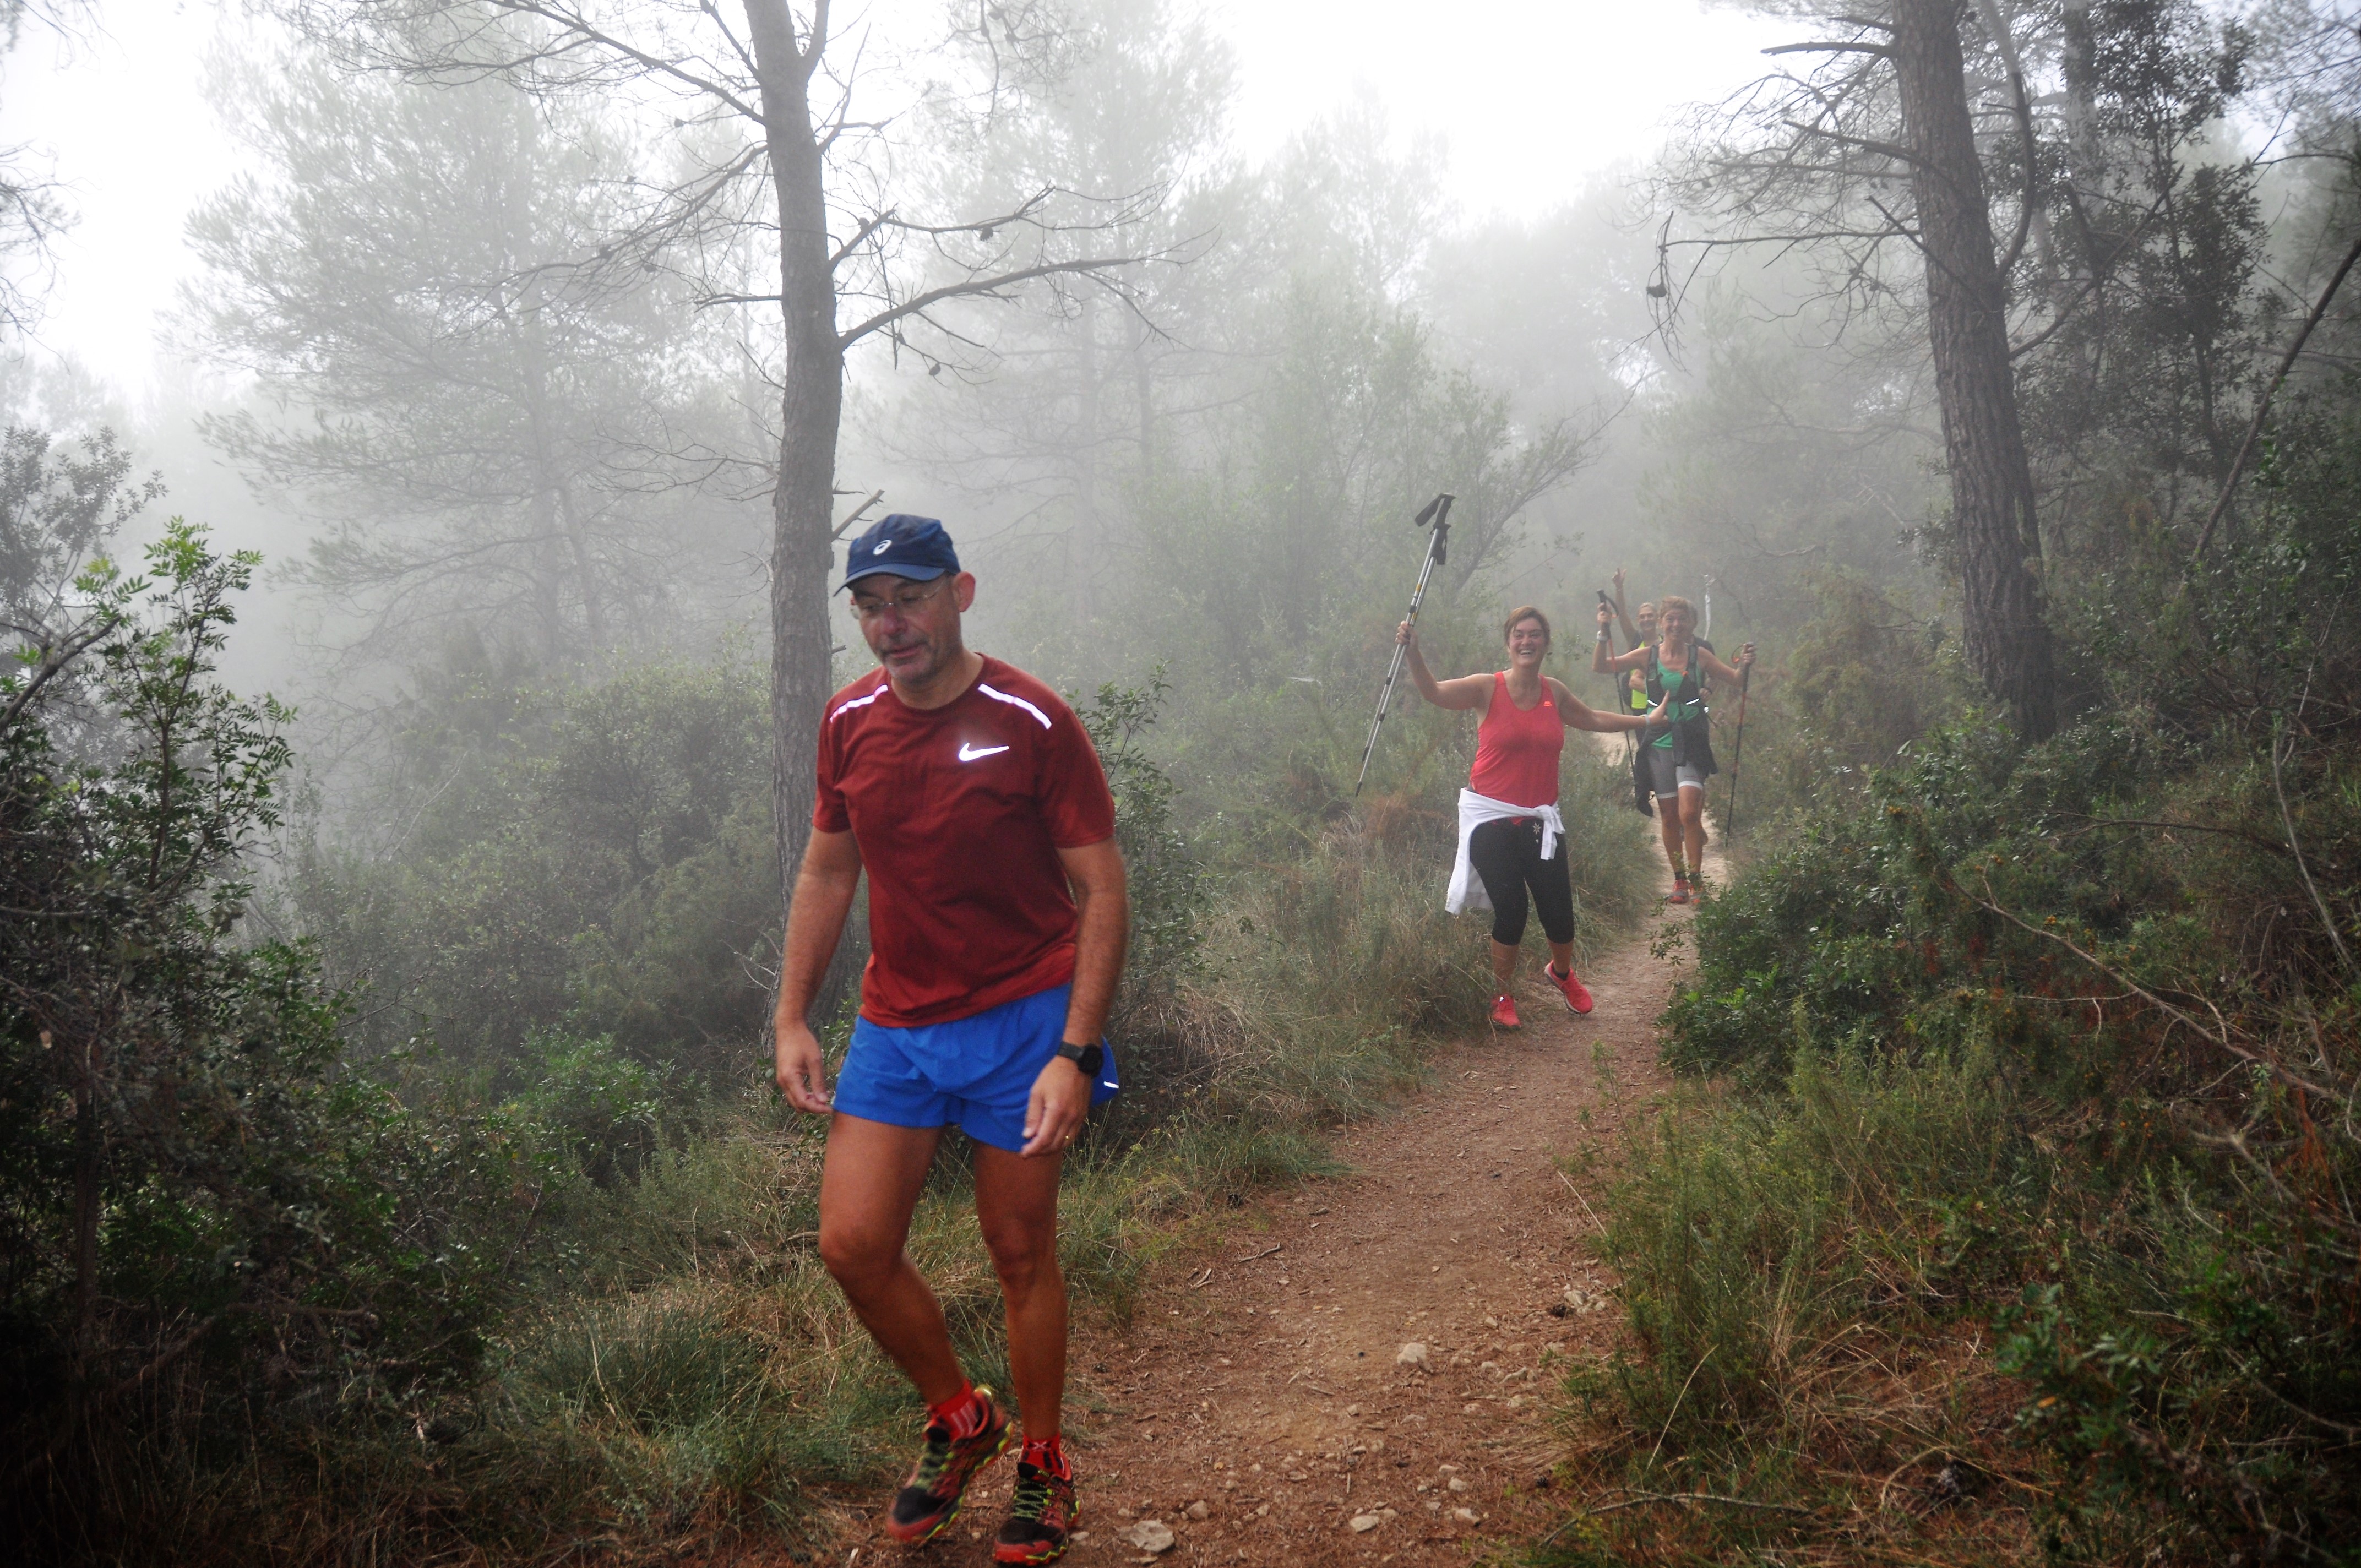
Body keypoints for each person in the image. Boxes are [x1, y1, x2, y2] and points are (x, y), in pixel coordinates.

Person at [772, 513, 1124, 1566]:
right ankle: (961, 1417)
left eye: (911, 597)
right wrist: (791, 1013)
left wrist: (1075, 1050)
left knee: (1018, 1250)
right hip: (898, 1022)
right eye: (870, 605)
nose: (891, 623)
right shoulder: (847, 722)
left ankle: (1044, 1460)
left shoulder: (1031, 718)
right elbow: (829, 868)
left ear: (959, 593)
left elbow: (1101, 889)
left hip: (1024, 1019)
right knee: (852, 1245)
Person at [1396, 606, 1665, 1029]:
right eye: (1519, 634)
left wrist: (1645, 719)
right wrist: (1414, 652)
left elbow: (1592, 718)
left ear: (1545, 643)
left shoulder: (1554, 692)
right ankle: (1502, 996)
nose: (1527, 641)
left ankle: (1561, 973)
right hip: (1490, 816)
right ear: (1508, 642)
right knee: (1513, 908)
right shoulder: (1487, 688)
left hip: (1540, 819)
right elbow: (1434, 692)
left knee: (1559, 913)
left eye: (1535, 634)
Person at [1591, 594, 1754, 903]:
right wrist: (1603, 631)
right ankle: (1679, 881)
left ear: (1692, 624)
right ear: (1662, 623)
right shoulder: (1647, 655)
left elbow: (1735, 680)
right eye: (1671, 619)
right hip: (1659, 742)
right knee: (1668, 816)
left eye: (1682, 619)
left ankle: (1697, 882)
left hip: (1692, 740)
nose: (1676, 624)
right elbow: (1601, 666)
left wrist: (1745, 665)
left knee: (1689, 813)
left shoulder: (1700, 656)